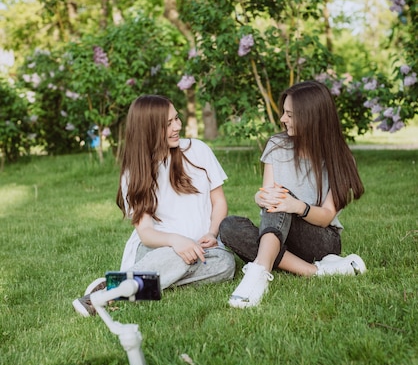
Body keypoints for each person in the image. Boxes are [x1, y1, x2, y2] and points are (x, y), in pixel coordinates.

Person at [73, 94, 235, 317]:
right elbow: (146, 232)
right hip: (158, 250)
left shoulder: (198, 150)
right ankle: (111, 292)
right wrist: (176, 241)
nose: (177, 126)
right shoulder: (134, 174)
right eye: (168, 124)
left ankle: (132, 287)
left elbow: (219, 202)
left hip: (203, 248)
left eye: (176, 118)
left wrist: (212, 231)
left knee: (226, 264)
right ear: (148, 128)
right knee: (176, 255)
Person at [219, 80, 367, 309]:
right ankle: (313, 271)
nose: (282, 119)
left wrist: (298, 206)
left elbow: (327, 215)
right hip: (279, 231)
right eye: (283, 113)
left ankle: (259, 271)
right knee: (229, 227)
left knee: (282, 198)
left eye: (290, 114)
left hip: (321, 239)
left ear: (311, 117)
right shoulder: (277, 145)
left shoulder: (341, 159)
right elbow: (267, 195)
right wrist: (260, 198)